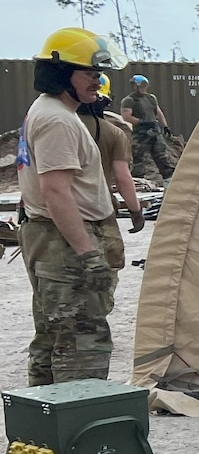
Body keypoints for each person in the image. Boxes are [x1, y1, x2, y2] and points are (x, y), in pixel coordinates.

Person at [16, 28, 123, 385]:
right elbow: (56, 192)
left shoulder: (51, 112)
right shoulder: (58, 120)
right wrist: (88, 253)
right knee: (81, 342)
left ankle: (41, 436)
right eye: (90, 74)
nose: (98, 81)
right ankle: (78, 430)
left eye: (99, 74)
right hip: (62, 241)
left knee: (52, 336)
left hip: (50, 236)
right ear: (62, 74)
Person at [77, 75, 148, 292]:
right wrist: (135, 211)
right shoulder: (114, 133)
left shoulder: (60, 123)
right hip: (99, 209)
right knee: (104, 279)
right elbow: (122, 176)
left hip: (59, 213)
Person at [119, 74, 178, 181]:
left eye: (145, 86)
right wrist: (141, 122)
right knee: (139, 162)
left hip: (155, 132)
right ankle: (137, 183)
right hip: (140, 135)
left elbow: (158, 113)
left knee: (163, 158)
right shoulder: (129, 100)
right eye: (141, 86)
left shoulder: (151, 98)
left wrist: (165, 126)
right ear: (134, 86)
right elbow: (126, 116)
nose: (143, 88)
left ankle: (170, 181)